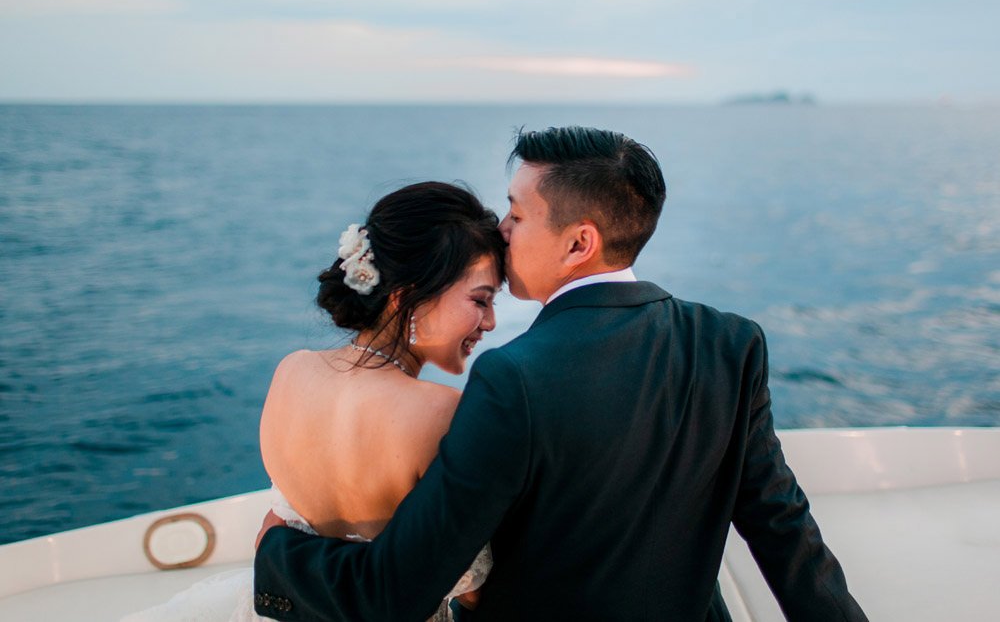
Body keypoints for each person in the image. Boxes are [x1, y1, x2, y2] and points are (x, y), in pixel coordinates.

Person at [254, 126, 868, 621]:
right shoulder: (730, 343)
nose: (500, 229)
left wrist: (276, 552)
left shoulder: (512, 377)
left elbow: (396, 591)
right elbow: (783, 529)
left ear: (579, 243)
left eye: (517, 216)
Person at [121, 181, 505, 622]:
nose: (490, 322)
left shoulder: (292, 370)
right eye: (480, 300)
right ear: (407, 297)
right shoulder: (442, 411)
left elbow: (274, 527)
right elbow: (472, 583)